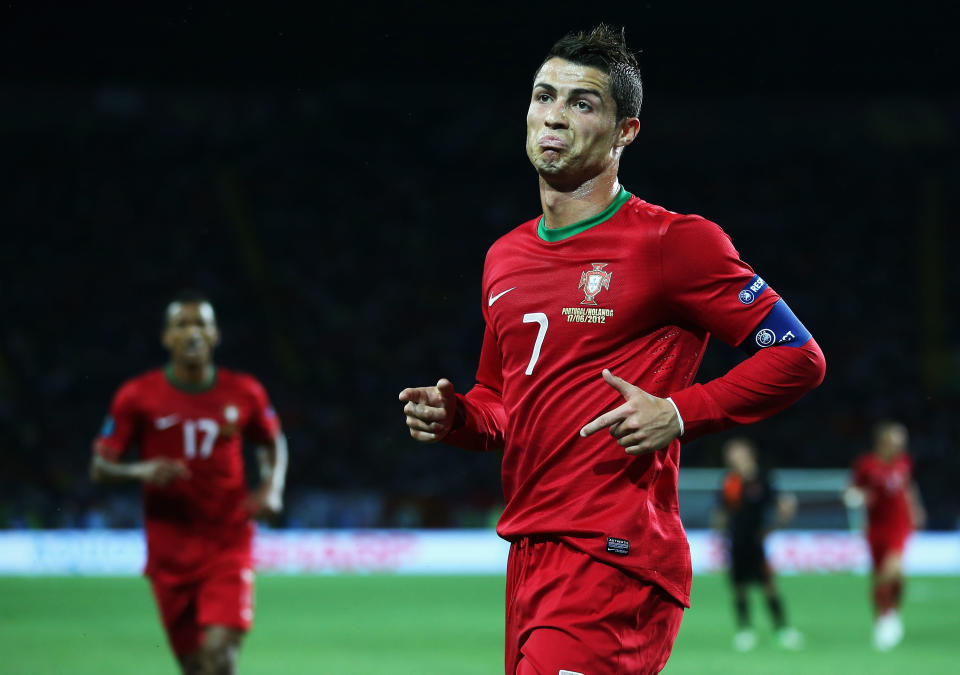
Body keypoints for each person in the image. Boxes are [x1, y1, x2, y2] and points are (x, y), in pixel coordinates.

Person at [399, 24, 825, 675]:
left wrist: (681, 412)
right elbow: (500, 404)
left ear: (626, 131)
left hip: (614, 556)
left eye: (582, 103)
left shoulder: (674, 244)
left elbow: (798, 355)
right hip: (530, 552)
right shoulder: (504, 257)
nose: (555, 115)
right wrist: (457, 417)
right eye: (545, 95)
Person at [90, 292, 288, 675]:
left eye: (201, 324)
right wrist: (139, 471)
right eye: (182, 325)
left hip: (227, 541)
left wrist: (272, 486)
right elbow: (100, 467)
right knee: (196, 667)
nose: (192, 332)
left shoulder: (244, 390)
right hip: (169, 551)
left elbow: (272, 441)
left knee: (220, 654)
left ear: (215, 335)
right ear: (166, 337)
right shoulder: (137, 396)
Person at [714, 437, 803, 651]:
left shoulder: (763, 479)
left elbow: (783, 504)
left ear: (748, 454)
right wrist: (719, 535)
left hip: (756, 541)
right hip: (736, 540)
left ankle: (782, 629)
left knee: (768, 586)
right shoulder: (730, 480)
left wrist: (776, 526)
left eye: (736, 452)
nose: (732, 457)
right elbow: (723, 512)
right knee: (739, 588)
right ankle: (745, 631)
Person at [845, 421, 924, 651]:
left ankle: (890, 617)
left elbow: (908, 487)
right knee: (881, 576)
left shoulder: (903, 462)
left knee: (894, 570)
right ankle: (882, 618)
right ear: (883, 442)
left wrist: (916, 508)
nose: (901, 446)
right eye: (897, 442)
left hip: (899, 525)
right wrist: (858, 497)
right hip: (875, 527)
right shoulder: (866, 465)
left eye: (903, 442)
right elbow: (852, 490)